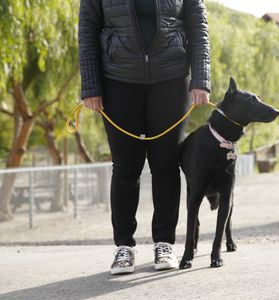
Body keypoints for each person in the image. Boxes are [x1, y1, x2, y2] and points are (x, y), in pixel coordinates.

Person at [78, 0, 210, 274]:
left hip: (171, 79)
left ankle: (164, 243)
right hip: (118, 80)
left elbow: (198, 26)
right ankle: (123, 248)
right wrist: (91, 85)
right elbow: (88, 30)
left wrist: (201, 78)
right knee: (126, 167)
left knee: (166, 165)